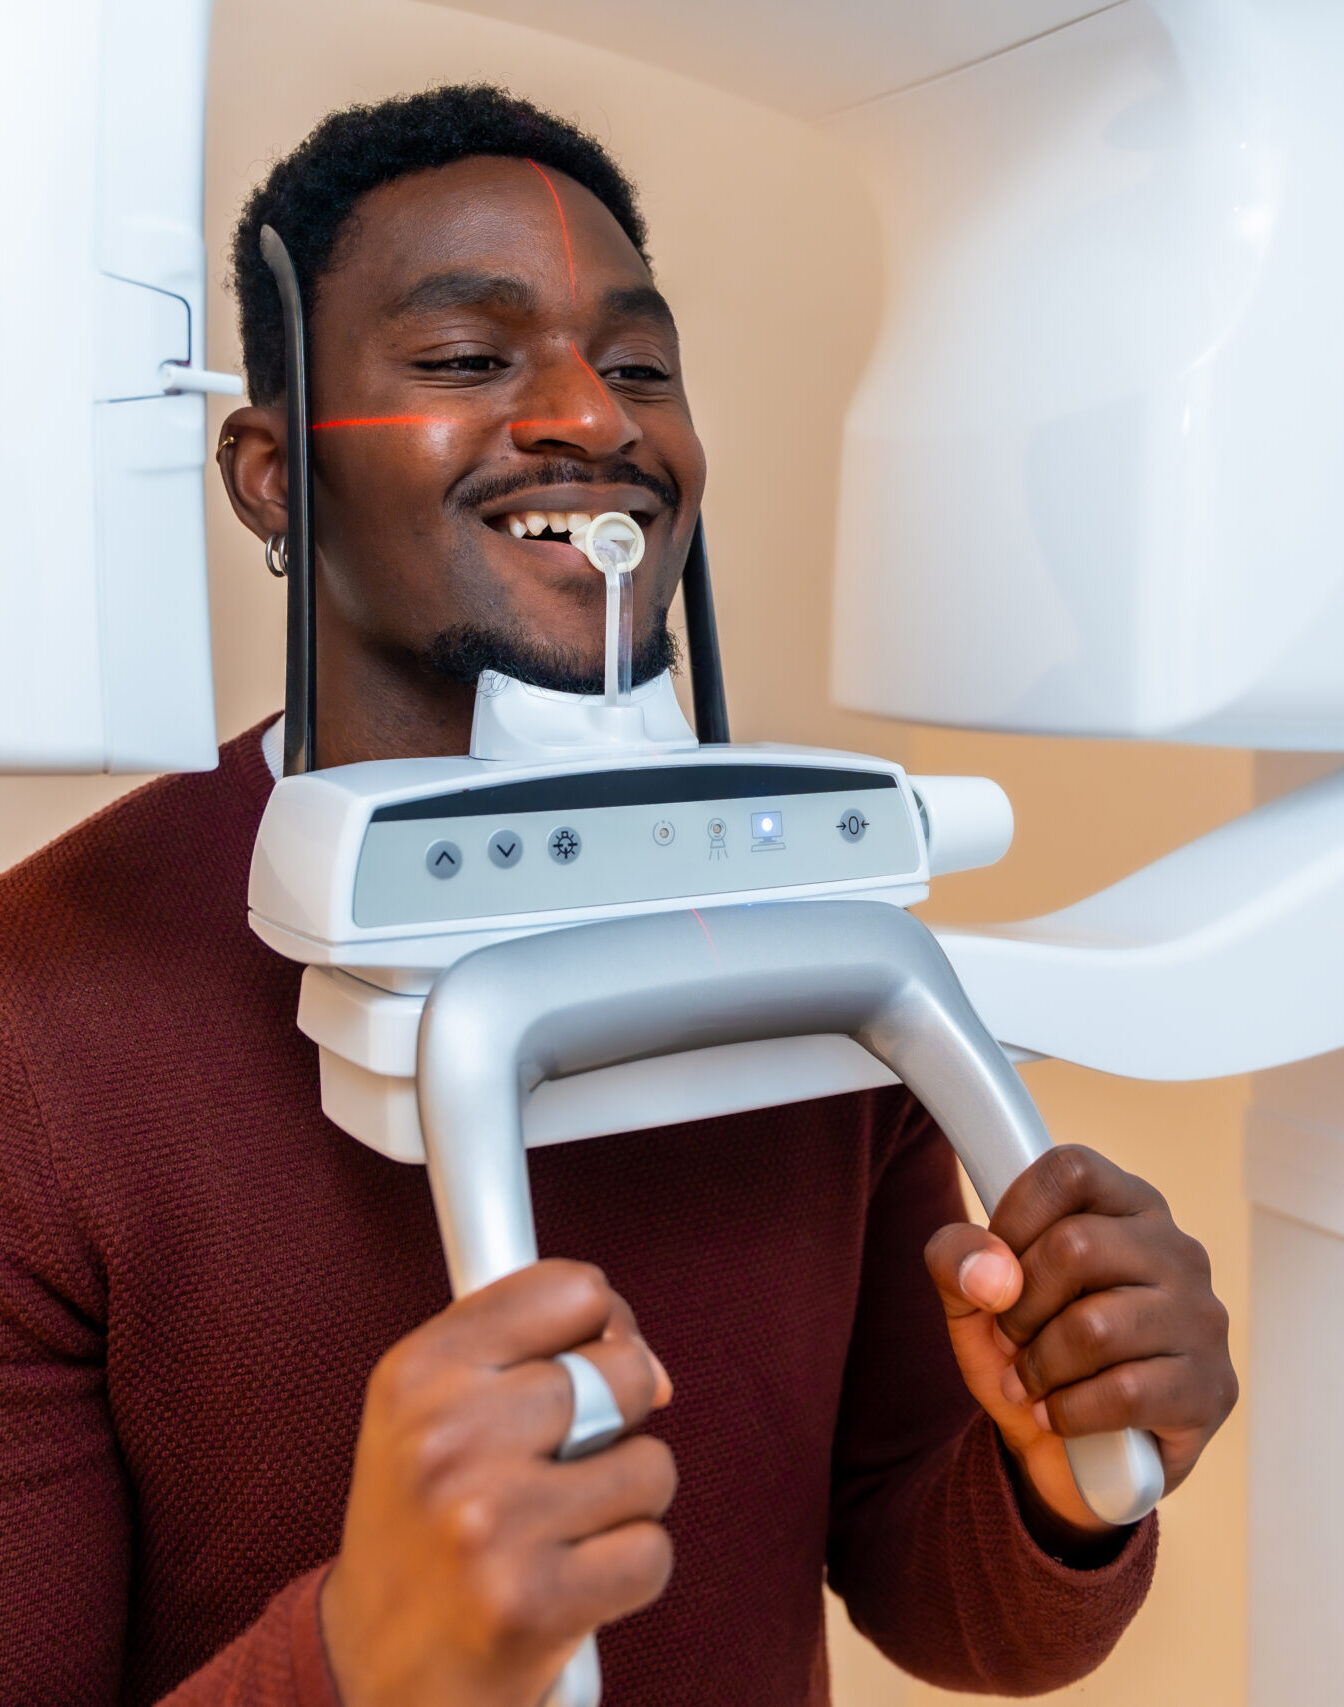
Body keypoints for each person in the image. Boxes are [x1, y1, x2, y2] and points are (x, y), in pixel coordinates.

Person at [0, 85, 1236, 1707]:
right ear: (272, 477)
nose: (595, 419)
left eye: (641, 365)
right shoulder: (39, 1024)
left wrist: (1065, 1469)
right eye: (465, 360)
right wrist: (365, 1656)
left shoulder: (821, 941)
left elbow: (944, 1598)